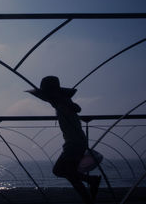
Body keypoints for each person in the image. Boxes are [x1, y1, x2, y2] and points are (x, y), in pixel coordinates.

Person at [27, 76, 101, 204]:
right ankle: (89, 193)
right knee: (70, 174)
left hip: (75, 143)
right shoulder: (60, 102)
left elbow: (77, 108)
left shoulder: (63, 101)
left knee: (60, 170)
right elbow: (75, 108)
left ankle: (91, 182)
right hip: (74, 142)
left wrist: (62, 102)